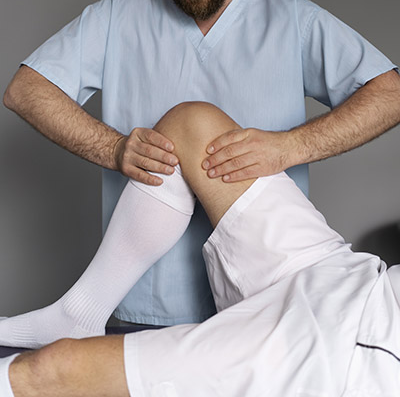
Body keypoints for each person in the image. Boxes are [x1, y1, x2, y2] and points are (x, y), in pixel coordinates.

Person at [3, 0, 400, 329]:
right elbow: (25, 90)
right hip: (142, 309)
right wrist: (112, 147)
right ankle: (79, 313)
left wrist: (290, 147)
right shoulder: (118, 17)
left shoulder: (291, 20)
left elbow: (390, 94)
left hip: (260, 310)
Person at [1, 101, 400, 397]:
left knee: (55, 370)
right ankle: (80, 312)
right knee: (190, 126)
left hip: (344, 356)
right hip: (352, 279)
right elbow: (22, 91)